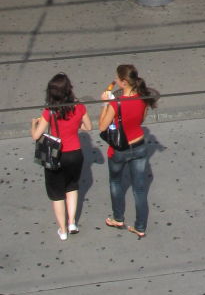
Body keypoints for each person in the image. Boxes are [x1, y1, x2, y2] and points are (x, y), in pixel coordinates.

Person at [99, 63, 159, 238]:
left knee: (115, 182)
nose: (115, 81)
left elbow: (102, 127)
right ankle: (140, 226)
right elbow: (140, 120)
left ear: (124, 82)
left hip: (120, 148)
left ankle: (118, 218)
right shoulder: (142, 97)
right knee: (139, 190)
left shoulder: (116, 103)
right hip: (139, 145)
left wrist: (105, 104)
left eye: (117, 79)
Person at [31, 73, 92, 241]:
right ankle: (72, 223)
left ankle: (62, 230)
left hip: (56, 156)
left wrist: (33, 124)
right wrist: (74, 124)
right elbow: (88, 127)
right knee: (72, 187)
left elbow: (36, 136)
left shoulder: (49, 111)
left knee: (57, 194)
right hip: (75, 154)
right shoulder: (78, 107)